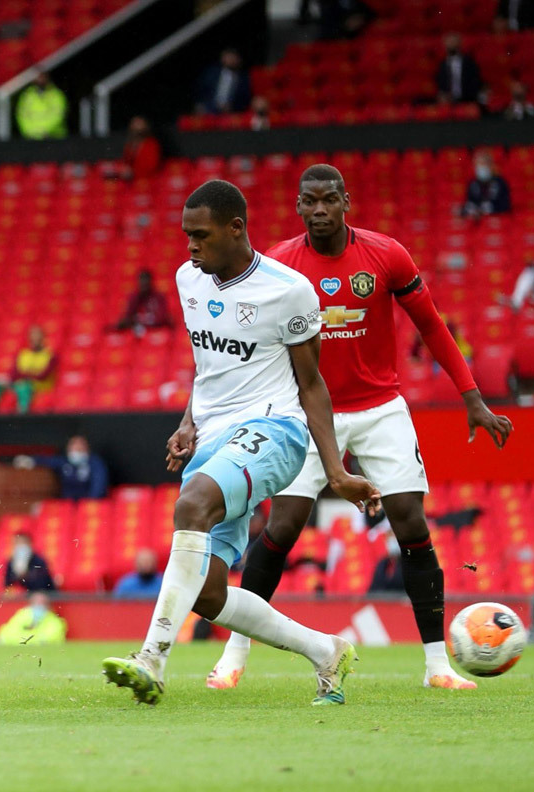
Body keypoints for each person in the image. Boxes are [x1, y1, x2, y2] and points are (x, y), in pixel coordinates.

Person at [206, 165, 512, 693]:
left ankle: (437, 665)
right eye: (309, 201)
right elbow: (241, 338)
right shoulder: (279, 264)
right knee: (283, 526)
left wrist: (473, 398)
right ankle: (235, 655)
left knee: (410, 522)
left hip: (379, 407)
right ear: (298, 207)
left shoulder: (386, 254)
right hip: (305, 411)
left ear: (346, 201)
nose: (319, 209)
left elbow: (432, 325)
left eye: (328, 200)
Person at [102, 179, 381, 707]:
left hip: (274, 431)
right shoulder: (189, 279)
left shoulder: (289, 289)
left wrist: (336, 471)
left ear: (236, 229)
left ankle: (151, 660)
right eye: (186, 236)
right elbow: (210, 366)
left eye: (200, 236)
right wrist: (189, 422)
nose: (190, 247)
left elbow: (312, 384)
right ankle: (326, 652)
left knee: (192, 504)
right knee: (207, 594)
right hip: (212, 439)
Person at [0, 324, 57, 413]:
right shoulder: (23, 354)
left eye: (37, 335)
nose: (35, 338)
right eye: (32, 335)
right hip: (20, 383)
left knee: (23, 387)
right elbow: (14, 373)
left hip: (39, 386)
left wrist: (25, 375)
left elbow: (42, 376)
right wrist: (28, 374)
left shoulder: (49, 355)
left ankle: (22, 415)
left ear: (43, 337)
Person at [16, 436, 109, 500]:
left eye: (80, 449)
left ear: (87, 449)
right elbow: (49, 461)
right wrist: (32, 461)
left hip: (87, 502)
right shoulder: (64, 461)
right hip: (67, 502)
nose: (76, 452)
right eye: (74, 449)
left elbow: (99, 484)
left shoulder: (94, 462)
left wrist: (91, 500)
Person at [112, 269, 173, 333]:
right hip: (137, 331)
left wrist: (140, 320)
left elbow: (162, 318)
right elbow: (127, 317)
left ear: (150, 282)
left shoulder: (159, 297)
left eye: (146, 281)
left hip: (156, 331)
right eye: (142, 281)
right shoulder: (134, 297)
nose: (144, 284)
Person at [195, 48, 251, 115]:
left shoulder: (243, 78)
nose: (231, 60)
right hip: (209, 108)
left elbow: (245, 98)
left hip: (231, 112)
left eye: (233, 57)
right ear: (222, 58)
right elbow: (201, 90)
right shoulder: (212, 73)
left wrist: (232, 107)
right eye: (228, 57)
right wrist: (200, 104)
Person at [0, 591, 66, 644]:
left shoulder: (54, 622)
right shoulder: (22, 615)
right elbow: (6, 635)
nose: (39, 606)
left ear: (48, 606)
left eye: (42, 603)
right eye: (36, 603)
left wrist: (23, 640)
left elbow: (51, 639)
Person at [16, 70, 67, 140]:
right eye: (37, 77)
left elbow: (58, 115)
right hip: (32, 138)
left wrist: (44, 130)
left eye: (42, 76)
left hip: (54, 138)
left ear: (47, 77)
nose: (40, 79)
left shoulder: (56, 95)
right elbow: (22, 116)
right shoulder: (27, 96)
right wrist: (31, 131)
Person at [461, 152, 512, 219]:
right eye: (478, 165)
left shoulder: (500, 182)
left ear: (490, 165)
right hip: (478, 219)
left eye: (483, 164)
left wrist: (490, 208)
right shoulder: (472, 183)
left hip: (496, 219)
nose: (481, 167)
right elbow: (470, 202)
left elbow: (506, 205)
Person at [436, 34, 483, 105]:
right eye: (449, 42)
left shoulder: (469, 62)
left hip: (467, 99)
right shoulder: (442, 64)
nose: (451, 44)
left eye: (453, 42)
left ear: (459, 44)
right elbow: (440, 83)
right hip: (447, 101)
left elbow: (475, 81)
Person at [114, 117, 161, 181]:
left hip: (146, 182)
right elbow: (125, 161)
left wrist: (133, 172)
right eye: (134, 123)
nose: (136, 127)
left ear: (145, 126)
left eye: (139, 124)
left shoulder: (151, 144)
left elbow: (152, 167)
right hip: (131, 181)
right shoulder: (130, 144)